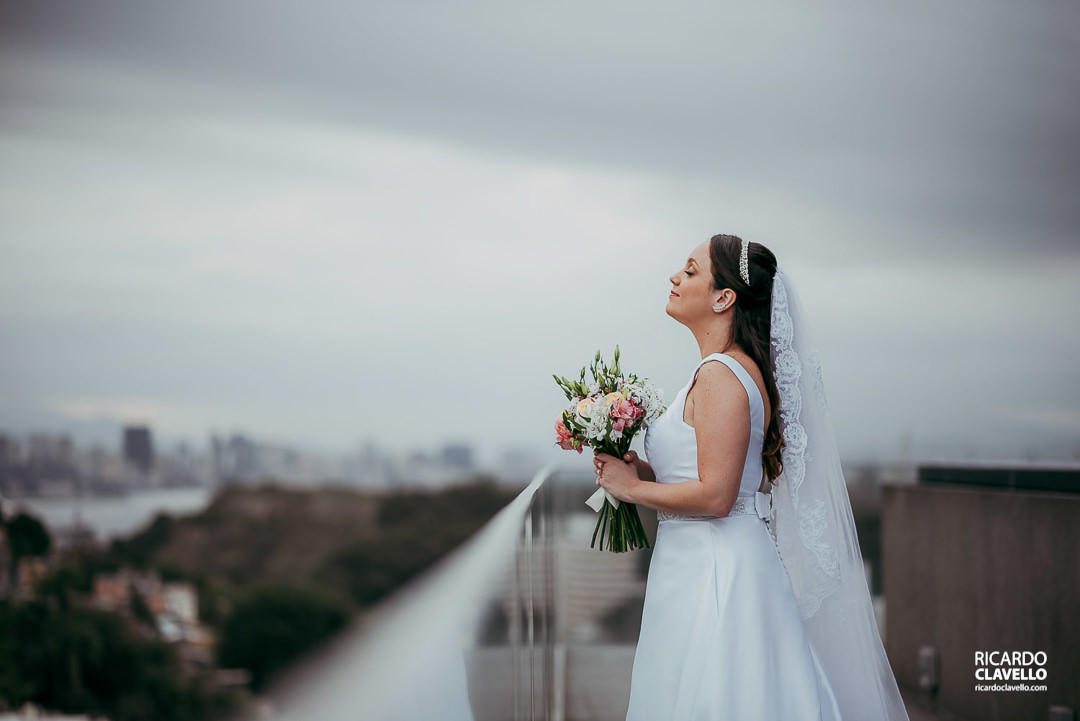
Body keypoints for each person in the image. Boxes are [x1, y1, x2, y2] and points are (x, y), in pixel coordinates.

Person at [593, 234, 910, 720]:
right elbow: (714, 476)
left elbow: (718, 496)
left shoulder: (721, 374)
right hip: (698, 560)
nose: (675, 278)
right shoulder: (722, 370)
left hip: (716, 567)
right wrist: (643, 470)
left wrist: (632, 489)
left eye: (691, 271)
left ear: (724, 298)